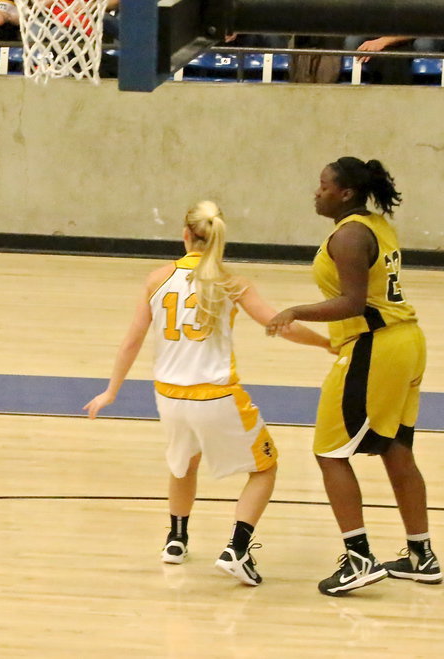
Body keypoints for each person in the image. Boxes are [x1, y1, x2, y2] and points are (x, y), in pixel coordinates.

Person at [85, 201, 331, 586]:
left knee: (183, 463)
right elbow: (277, 324)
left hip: (168, 395)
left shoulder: (156, 279)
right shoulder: (231, 282)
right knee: (265, 467)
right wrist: (325, 344)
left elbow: (131, 341)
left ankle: (176, 540)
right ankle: (237, 548)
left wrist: (110, 391)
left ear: (185, 235)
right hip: (215, 395)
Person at [267, 158, 437, 595]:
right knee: (395, 447)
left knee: (329, 451)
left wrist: (295, 311)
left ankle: (359, 558)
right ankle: (421, 555)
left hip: (374, 346)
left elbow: (353, 303)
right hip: (407, 342)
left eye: (323, 185)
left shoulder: (349, 236)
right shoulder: (375, 224)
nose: (316, 191)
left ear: (344, 193)